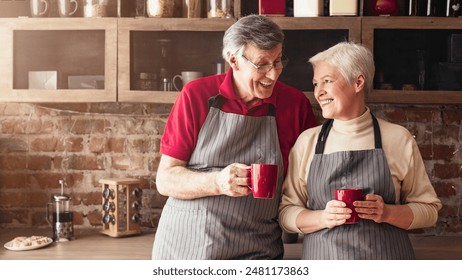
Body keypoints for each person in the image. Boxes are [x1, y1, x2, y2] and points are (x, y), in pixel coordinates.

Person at [152, 14, 317, 259]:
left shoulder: (295, 105)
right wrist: (217, 182)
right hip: (188, 247)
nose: (273, 74)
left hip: (257, 250)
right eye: (262, 64)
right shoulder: (197, 95)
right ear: (233, 60)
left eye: (278, 61)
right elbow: (165, 180)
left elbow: (304, 185)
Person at [279, 42, 442, 260]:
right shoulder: (307, 142)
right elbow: (286, 213)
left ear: (358, 82)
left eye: (327, 81)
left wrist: (388, 213)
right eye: (316, 83)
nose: (319, 92)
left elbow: (429, 211)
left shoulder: (397, 138)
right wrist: (323, 218)